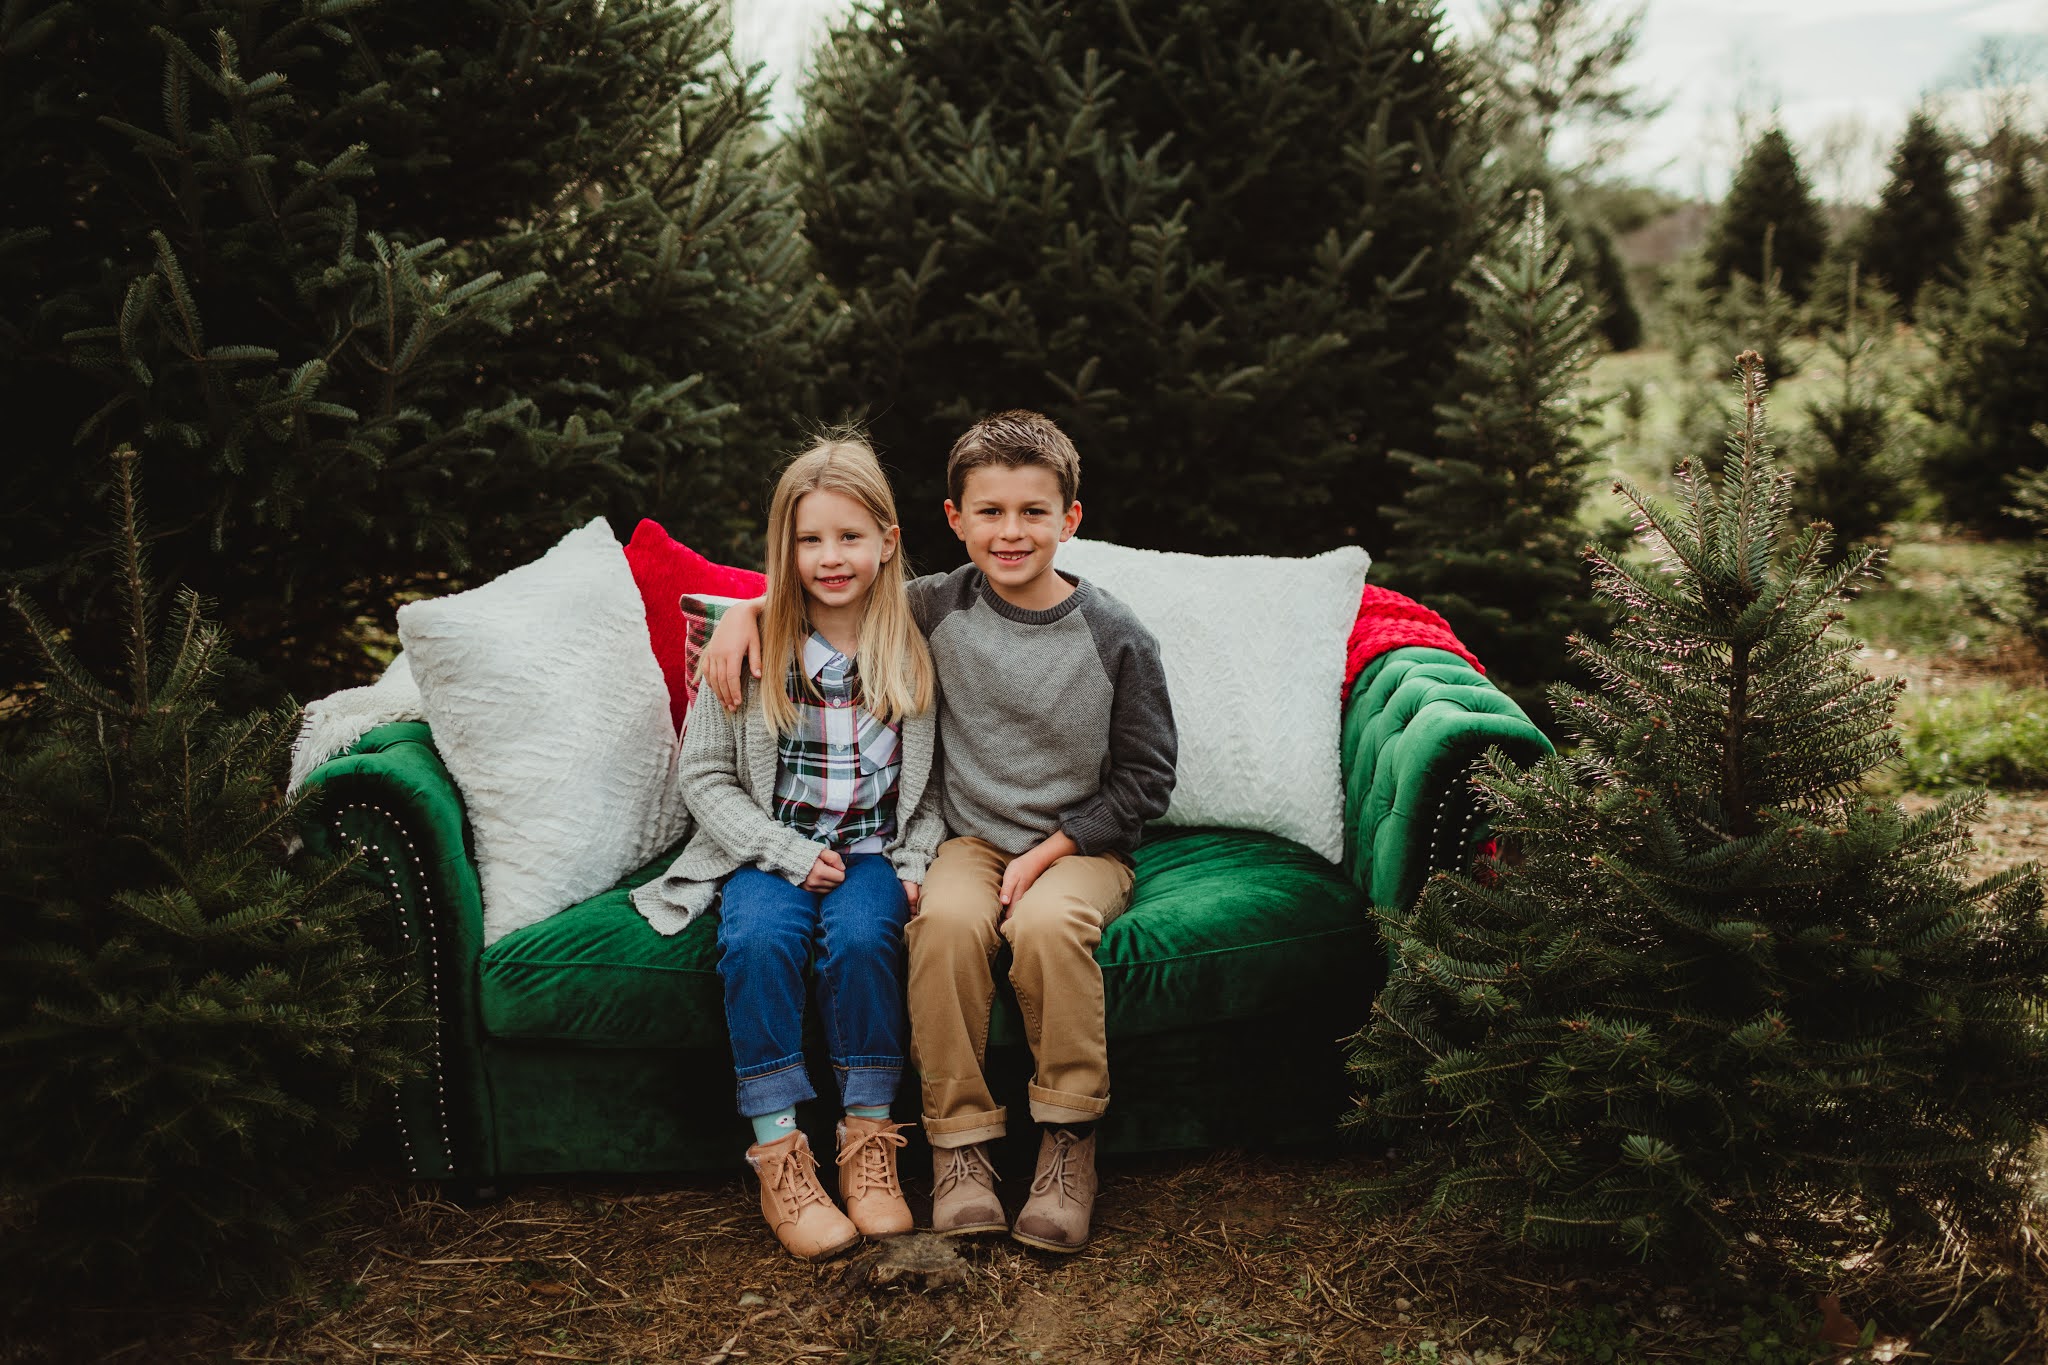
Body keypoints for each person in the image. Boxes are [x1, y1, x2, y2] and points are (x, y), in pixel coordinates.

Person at [704, 411, 1177, 1253]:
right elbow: (830, 584)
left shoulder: (1117, 635)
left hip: (1078, 846)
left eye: (1034, 511)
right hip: (970, 841)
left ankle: (1068, 1143)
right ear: (953, 521)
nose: (1011, 531)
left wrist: (1055, 849)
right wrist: (748, 607)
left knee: (1044, 925)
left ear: (1071, 519)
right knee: (943, 924)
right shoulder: (934, 604)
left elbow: (1146, 778)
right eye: (988, 512)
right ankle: (959, 1147)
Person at [631, 435, 944, 1261]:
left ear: (889, 539)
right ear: (786, 547)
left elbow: (936, 781)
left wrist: (912, 863)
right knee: (759, 940)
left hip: (872, 851)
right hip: (768, 850)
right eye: (810, 539)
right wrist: (779, 849)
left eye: (850, 536)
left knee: (868, 939)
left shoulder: (917, 641)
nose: (831, 556)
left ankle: (870, 1145)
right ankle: (781, 1158)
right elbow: (704, 775)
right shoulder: (753, 649)